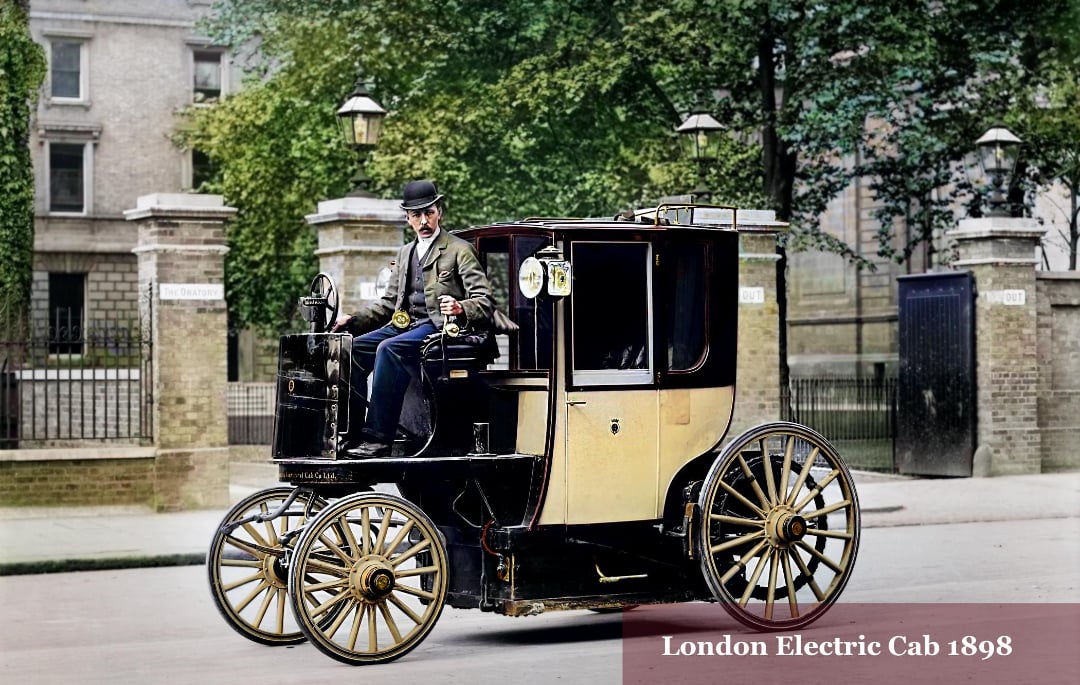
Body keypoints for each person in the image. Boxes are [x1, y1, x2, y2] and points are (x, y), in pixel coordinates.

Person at [331, 180, 493, 458]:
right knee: (352, 349)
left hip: (439, 328)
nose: (424, 220)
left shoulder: (458, 250)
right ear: (408, 219)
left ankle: (379, 438)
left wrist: (459, 307)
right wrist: (352, 321)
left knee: (389, 349)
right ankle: (353, 433)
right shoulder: (405, 253)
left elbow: (484, 300)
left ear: (439, 212)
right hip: (404, 325)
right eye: (416, 215)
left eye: (428, 213)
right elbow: (386, 306)